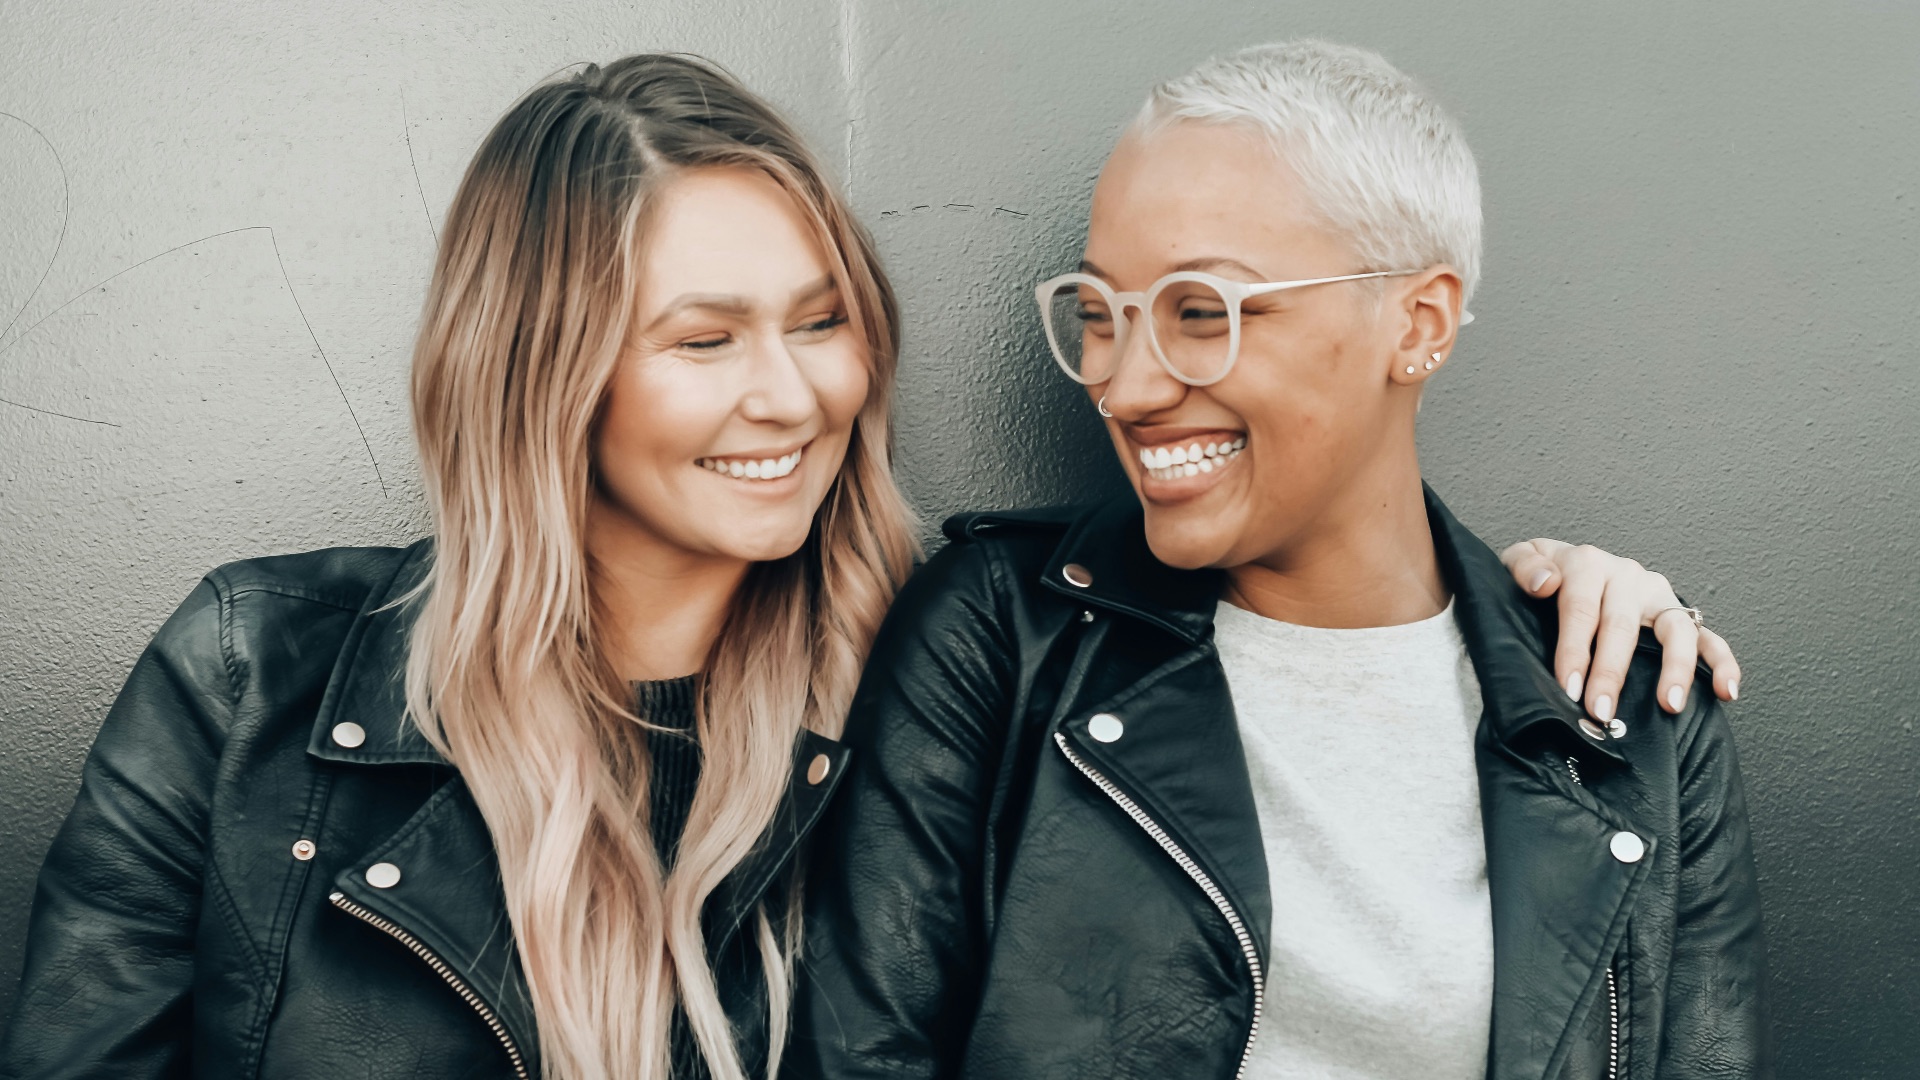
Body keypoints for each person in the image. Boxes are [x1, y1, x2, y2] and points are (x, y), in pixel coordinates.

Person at [1, 52, 1737, 1080]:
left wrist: (1550, 615)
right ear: (544, 373)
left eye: (821, 320)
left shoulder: (940, 675)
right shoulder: (259, 674)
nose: (791, 394)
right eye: (704, 339)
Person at [788, 41, 1766, 1080]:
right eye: (1100, 316)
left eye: (1202, 312)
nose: (1125, 388)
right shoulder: (1000, 636)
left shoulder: (1632, 716)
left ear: (1418, 323)